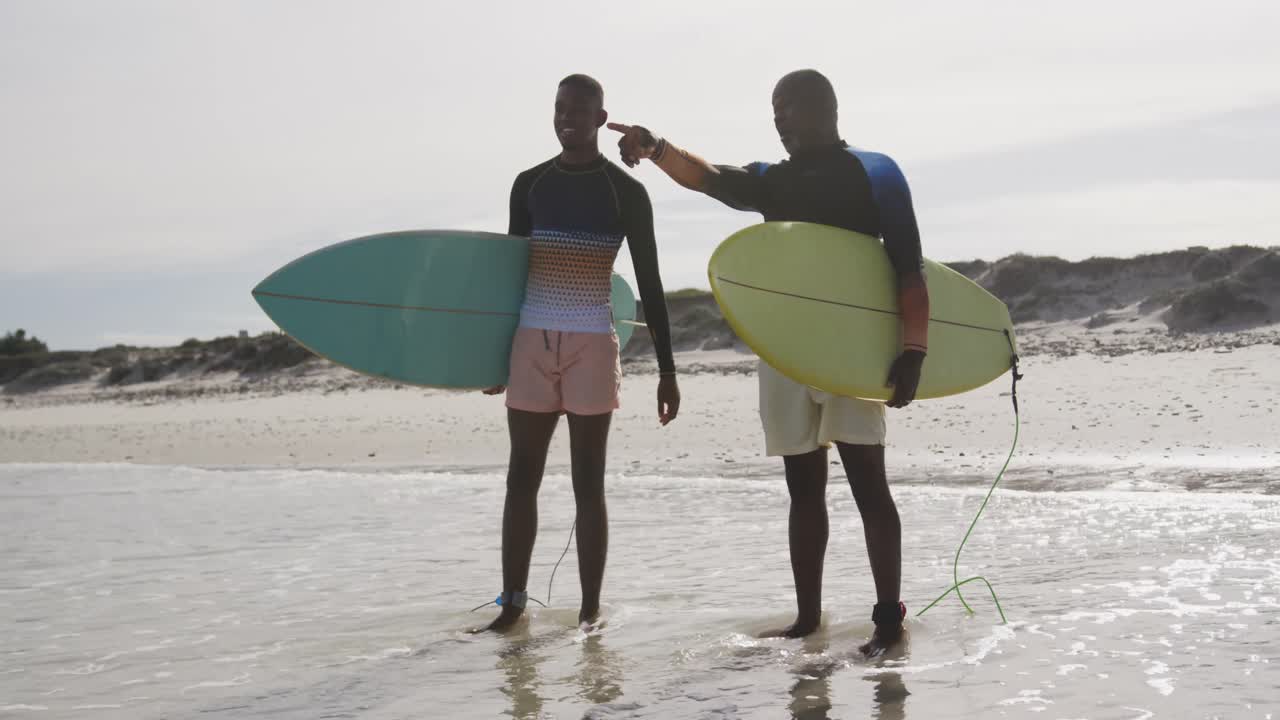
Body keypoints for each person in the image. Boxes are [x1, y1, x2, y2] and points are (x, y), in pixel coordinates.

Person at [608, 69, 928, 656]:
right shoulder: (774, 181)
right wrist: (655, 148)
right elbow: (709, 177)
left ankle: (889, 620)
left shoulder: (874, 171)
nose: (778, 119)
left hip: (852, 351)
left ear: (823, 107)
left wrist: (914, 351)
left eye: (787, 107)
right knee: (801, 489)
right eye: (773, 110)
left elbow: (909, 266)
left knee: (868, 487)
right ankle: (808, 619)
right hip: (784, 350)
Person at [480, 74, 681, 632]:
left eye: (579, 110)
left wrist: (668, 370)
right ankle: (512, 606)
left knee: (587, 482)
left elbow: (652, 282)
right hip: (531, 342)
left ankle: (590, 614)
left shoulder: (625, 191)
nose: (568, 117)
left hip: (592, 343)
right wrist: (492, 357)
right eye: (559, 109)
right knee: (521, 477)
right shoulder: (529, 185)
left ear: (600, 117)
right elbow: (510, 275)